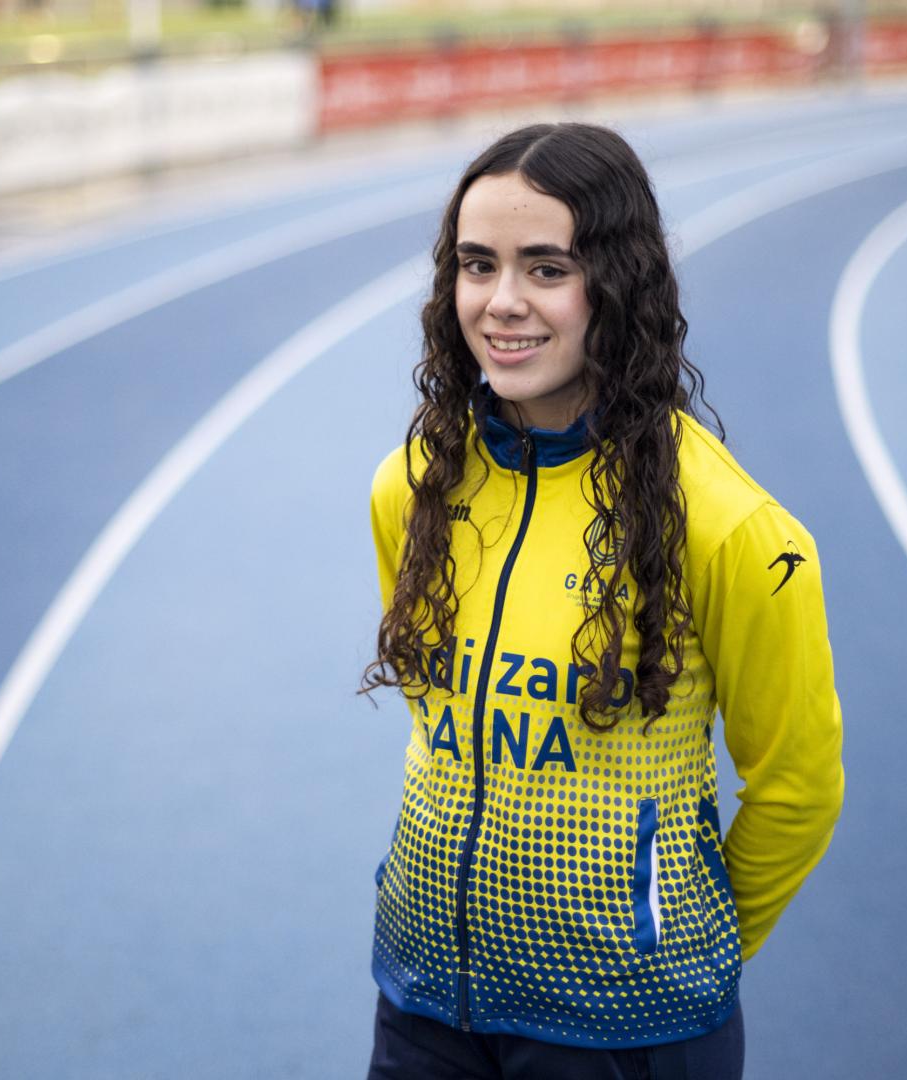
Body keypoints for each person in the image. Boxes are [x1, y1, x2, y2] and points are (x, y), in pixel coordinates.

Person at [359, 122, 844, 1079]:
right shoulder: (411, 486)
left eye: (546, 269)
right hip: (422, 1007)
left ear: (616, 286)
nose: (502, 303)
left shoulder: (729, 526)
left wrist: (662, 955)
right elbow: (440, 708)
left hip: (624, 1036)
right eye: (476, 264)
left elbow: (798, 788)